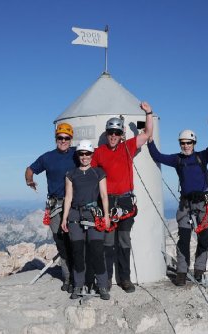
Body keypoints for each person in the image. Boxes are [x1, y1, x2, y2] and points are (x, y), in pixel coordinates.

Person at [147, 118, 208, 286]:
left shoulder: (202, 156)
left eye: (188, 143)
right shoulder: (177, 160)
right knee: (184, 239)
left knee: (203, 239)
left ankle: (199, 270)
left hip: (203, 203)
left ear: (194, 143)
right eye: (182, 143)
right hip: (186, 204)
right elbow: (158, 156)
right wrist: (150, 141)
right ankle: (181, 271)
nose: (185, 146)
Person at [91, 102, 153, 293]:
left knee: (124, 241)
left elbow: (147, 134)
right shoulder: (99, 152)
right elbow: (90, 174)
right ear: (107, 133)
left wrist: (148, 113)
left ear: (121, 135)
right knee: (108, 243)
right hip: (107, 201)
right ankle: (107, 279)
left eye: (117, 133)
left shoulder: (128, 147)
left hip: (125, 201)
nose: (113, 136)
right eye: (110, 133)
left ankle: (125, 279)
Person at [25, 123, 77, 292]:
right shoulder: (47, 157)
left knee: (75, 241)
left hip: (74, 203)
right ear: (56, 139)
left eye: (66, 138)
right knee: (61, 242)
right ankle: (68, 277)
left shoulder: (78, 153)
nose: (63, 141)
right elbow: (30, 169)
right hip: (55, 205)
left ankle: (78, 277)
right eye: (60, 138)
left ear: (71, 139)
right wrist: (29, 180)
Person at [61, 140, 111, 300]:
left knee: (96, 251)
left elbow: (104, 195)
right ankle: (78, 285)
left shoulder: (98, 173)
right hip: (75, 215)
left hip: (93, 214)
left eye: (87, 154)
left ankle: (102, 285)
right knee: (77, 252)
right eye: (81, 154)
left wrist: (106, 216)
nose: (84, 157)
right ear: (78, 155)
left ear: (91, 155)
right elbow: (68, 197)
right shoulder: (71, 174)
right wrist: (64, 218)